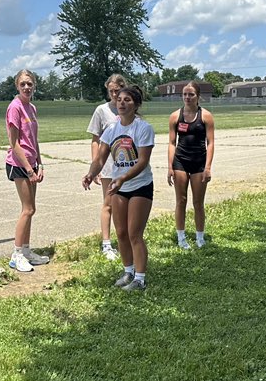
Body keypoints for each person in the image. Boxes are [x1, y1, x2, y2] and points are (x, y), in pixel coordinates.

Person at [82, 85, 155, 291]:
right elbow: (100, 158)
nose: (121, 103)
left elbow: (142, 161)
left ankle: (140, 279)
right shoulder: (111, 130)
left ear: (136, 104)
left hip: (140, 185)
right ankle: (128, 271)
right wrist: (91, 173)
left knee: (134, 233)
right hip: (118, 186)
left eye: (127, 100)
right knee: (121, 232)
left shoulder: (143, 128)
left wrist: (123, 178)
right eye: (119, 99)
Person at [5, 69, 49, 273]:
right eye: (22, 84)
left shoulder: (31, 108)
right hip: (19, 164)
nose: (26, 87)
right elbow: (14, 143)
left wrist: (40, 164)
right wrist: (29, 171)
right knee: (27, 209)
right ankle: (16, 255)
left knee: (32, 209)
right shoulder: (15, 107)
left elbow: (33, 140)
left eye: (29, 83)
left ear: (34, 85)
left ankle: (26, 250)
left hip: (32, 163)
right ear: (17, 86)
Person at [167, 81, 216, 249]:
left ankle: (200, 237)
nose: (187, 97)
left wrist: (207, 167)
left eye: (191, 94)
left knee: (198, 202)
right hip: (180, 161)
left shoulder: (206, 116)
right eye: (185, 94)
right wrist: (170, 167)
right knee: (181, 200)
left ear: (198, 96)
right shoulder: (175, 116)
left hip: (199, 162)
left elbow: (210, 143)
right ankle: (181, 237)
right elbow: (171, 143)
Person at [87, 74, 128, 260]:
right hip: (109, 165)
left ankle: (124, 239)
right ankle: (106, 243)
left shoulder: (128, 108)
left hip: (127, 165)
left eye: (117, 90)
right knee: (109, 203)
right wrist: (95, 167)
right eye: (111, 91)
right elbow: (95, 140)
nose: (114, 94)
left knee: (125, 204)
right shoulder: (102, 110)